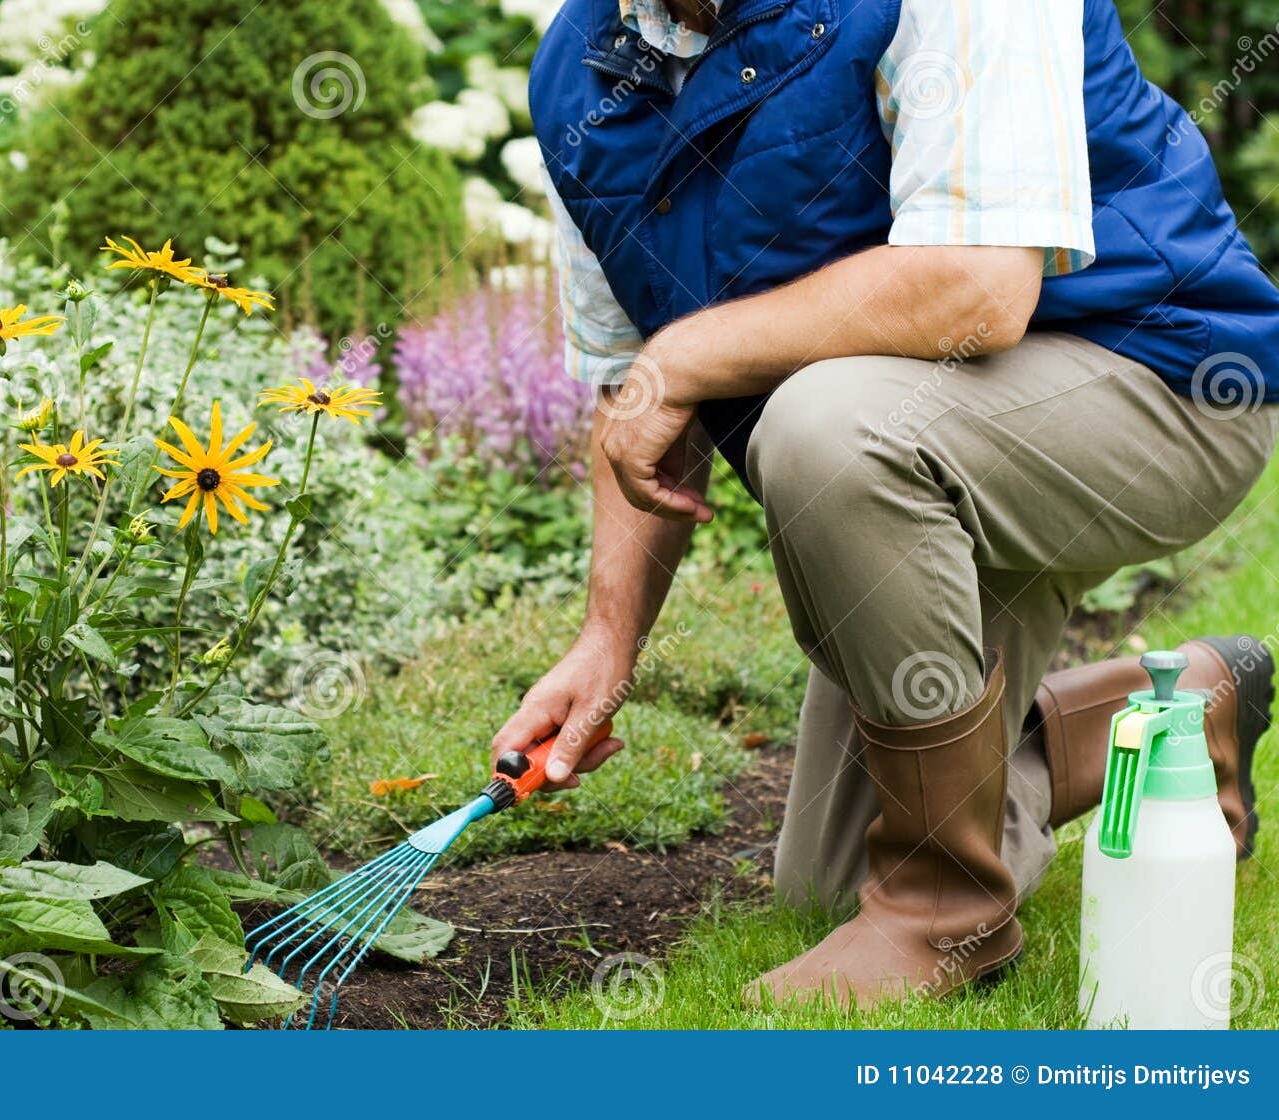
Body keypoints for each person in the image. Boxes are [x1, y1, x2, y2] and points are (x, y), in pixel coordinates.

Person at [495, 0, 1279, 1006]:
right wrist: (605, 644)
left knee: (821, 425)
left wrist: (684, 355)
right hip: (927, 432)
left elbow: (976, 291)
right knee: (826, 882)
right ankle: (1171, 717)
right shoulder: (578, 72)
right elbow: (638, 398)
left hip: (1157, 382)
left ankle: (942, 913)